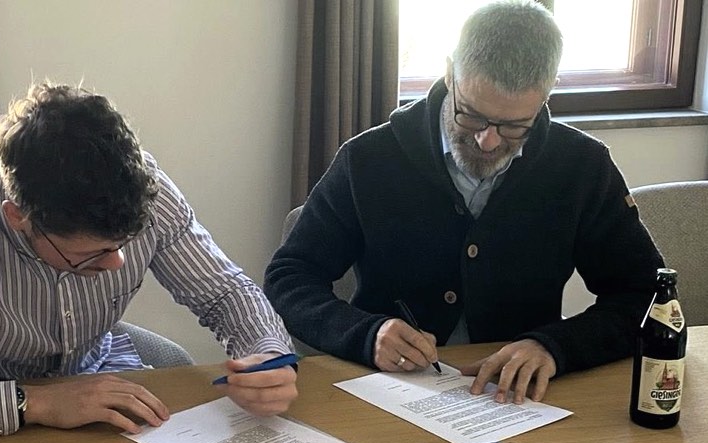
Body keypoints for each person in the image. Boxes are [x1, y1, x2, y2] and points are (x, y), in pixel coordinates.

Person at [264, 0, 662, 405]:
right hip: (387, 392)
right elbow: (289, 278)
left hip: (520, 399)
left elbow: (646, 294)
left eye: (514, 127)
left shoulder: (582, 167)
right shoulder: (369, 160)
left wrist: (555, 346)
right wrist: (367, 334)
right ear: (450, 72)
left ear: (547, 93)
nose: (487, 141)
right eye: (471, 116)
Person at [0, 82, 297, 443]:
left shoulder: (142, 187)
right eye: (92, 253)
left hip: (100, 384)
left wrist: (266, 353)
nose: (117, 262)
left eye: (125, 244)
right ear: (18, 217)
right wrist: (35, 402)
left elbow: (225, 293)